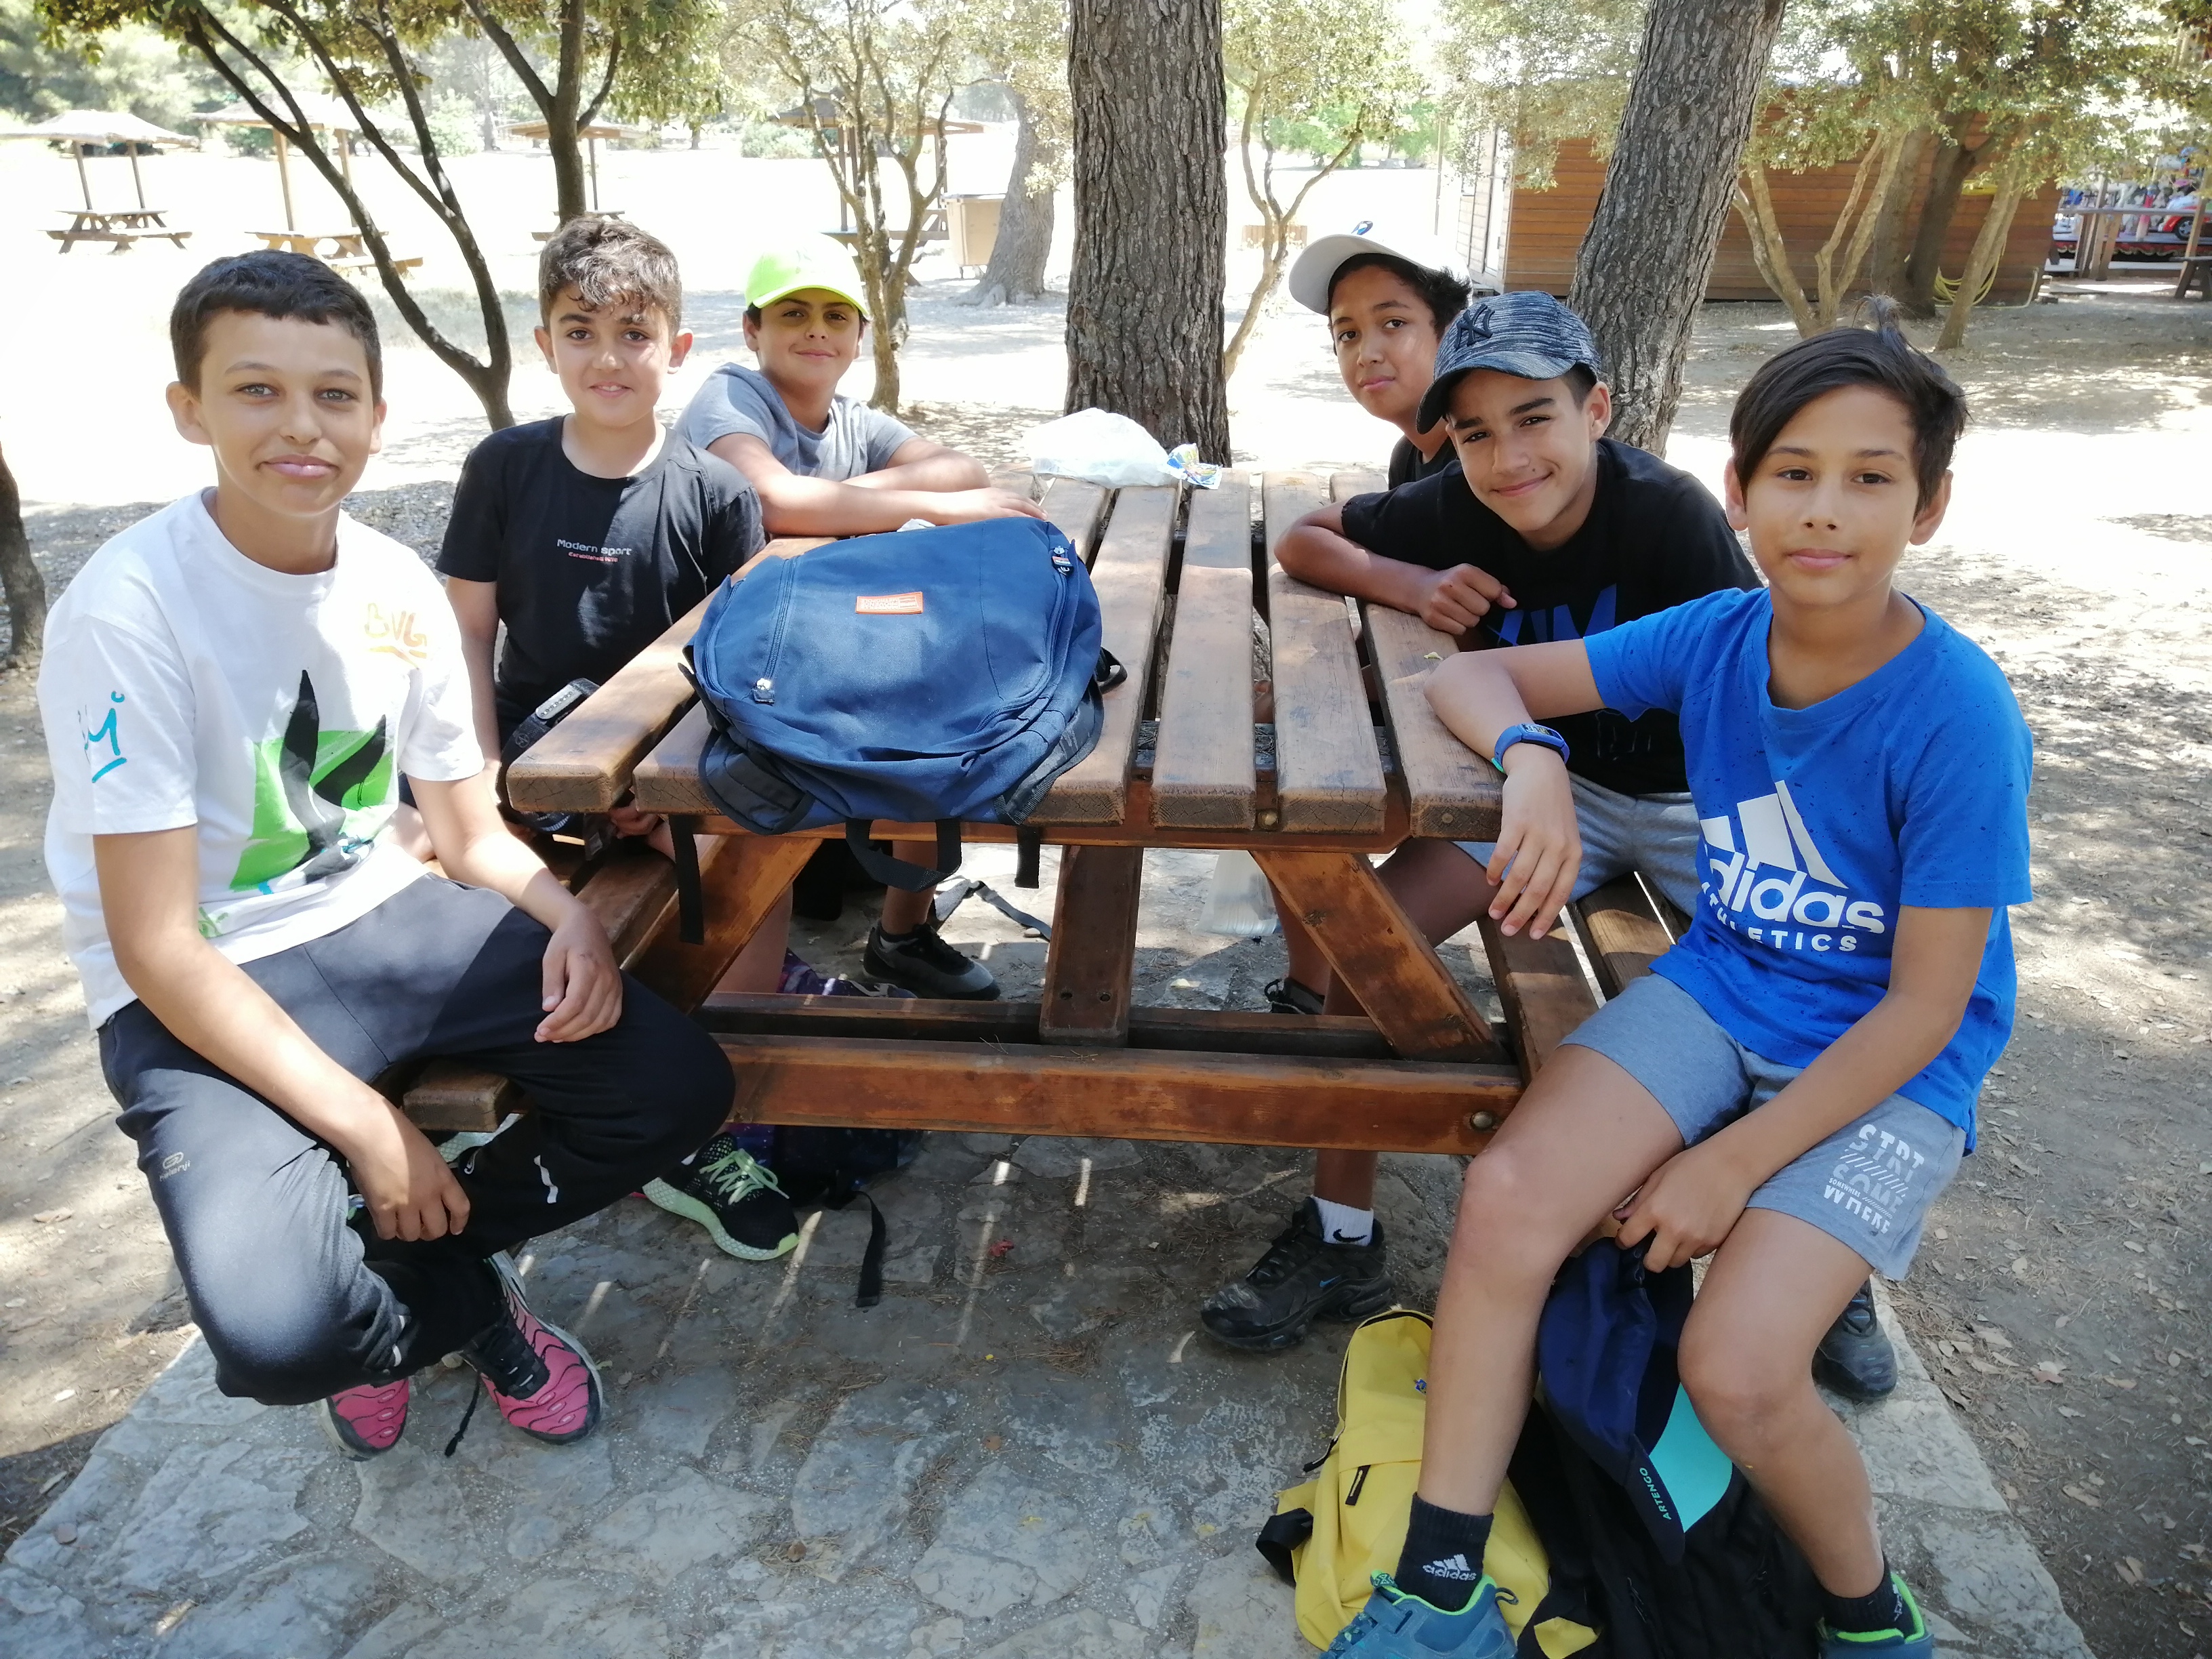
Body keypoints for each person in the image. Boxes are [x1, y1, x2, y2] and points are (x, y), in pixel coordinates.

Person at [1327, 306, 2027, 1659]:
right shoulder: (1715, 633)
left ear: (1927, 507)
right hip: (1723, 985)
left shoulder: (1957, 712)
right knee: (1508, 1198)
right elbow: (1477, 674)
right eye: (1794, 473)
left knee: (1739, 1368)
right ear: (1739, 492)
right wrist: (1534, 760)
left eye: (1869, 477)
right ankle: (1440, 1581)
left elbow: (1928, 1007)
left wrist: (1729, 1165)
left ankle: (1868, 1613)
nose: (1824, 510)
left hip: (1887, 1058)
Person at [37, 251, 734, 1461]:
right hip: (205, 972)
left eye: (334, 394)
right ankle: (455, 1307)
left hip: (382, 916)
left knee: (677, 1088)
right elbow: (155, 943)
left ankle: (410, 1259)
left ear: (375, 414)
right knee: (282, 1340)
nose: (301, 427)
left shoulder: (393, 584)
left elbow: (463, 831)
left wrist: (563, 914)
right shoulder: (127, 608)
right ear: (190, 409)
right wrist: (374, 1131)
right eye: (256, 390)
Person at [1200, 292, 1902, 1404]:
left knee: (1810, 981)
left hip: (1699, 800)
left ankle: (1827, 1248)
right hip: (1549, 786)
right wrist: (1412, 584)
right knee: (1361, 948)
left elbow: (1755, 686)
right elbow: (1301, 540)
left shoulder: (1667, 517)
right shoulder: (1455, 502)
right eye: (1475, 432)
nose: (1508, 455)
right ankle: (1340, 1233)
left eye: (1534, 418)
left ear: (1597, 410)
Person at [436, 216, 804, 1265]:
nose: (609, 357)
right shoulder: (504, 468)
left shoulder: (717, 493)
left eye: (634, 333)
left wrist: (670, 787)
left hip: (662, 775)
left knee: (757, 863)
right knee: (420, 862)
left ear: (675, 349)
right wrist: (483, 777)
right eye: (581, 331)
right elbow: (464, 636)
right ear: (544, 344)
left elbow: (734, 670)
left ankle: (711, 1127)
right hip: (528, 768)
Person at [676, 236, 1038, 1000]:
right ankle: (752, 974)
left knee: (939, 704)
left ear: (859, 336)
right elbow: (771, 499)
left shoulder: (848, 419)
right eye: (793, 314)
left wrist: (838, 501)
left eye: (836, 316)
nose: (817, 330)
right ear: (752, 329)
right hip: (730, 661)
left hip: (816, 643)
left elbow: (963, 469)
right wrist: (904, 506)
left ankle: (903, 934)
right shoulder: (731, 398)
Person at [1286, 222, 1472, 490]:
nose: (1367, 355)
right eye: (1348, 334)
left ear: (1455, 330)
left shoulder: (1483, 459)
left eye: (1394, 323)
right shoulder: (1407, 456)